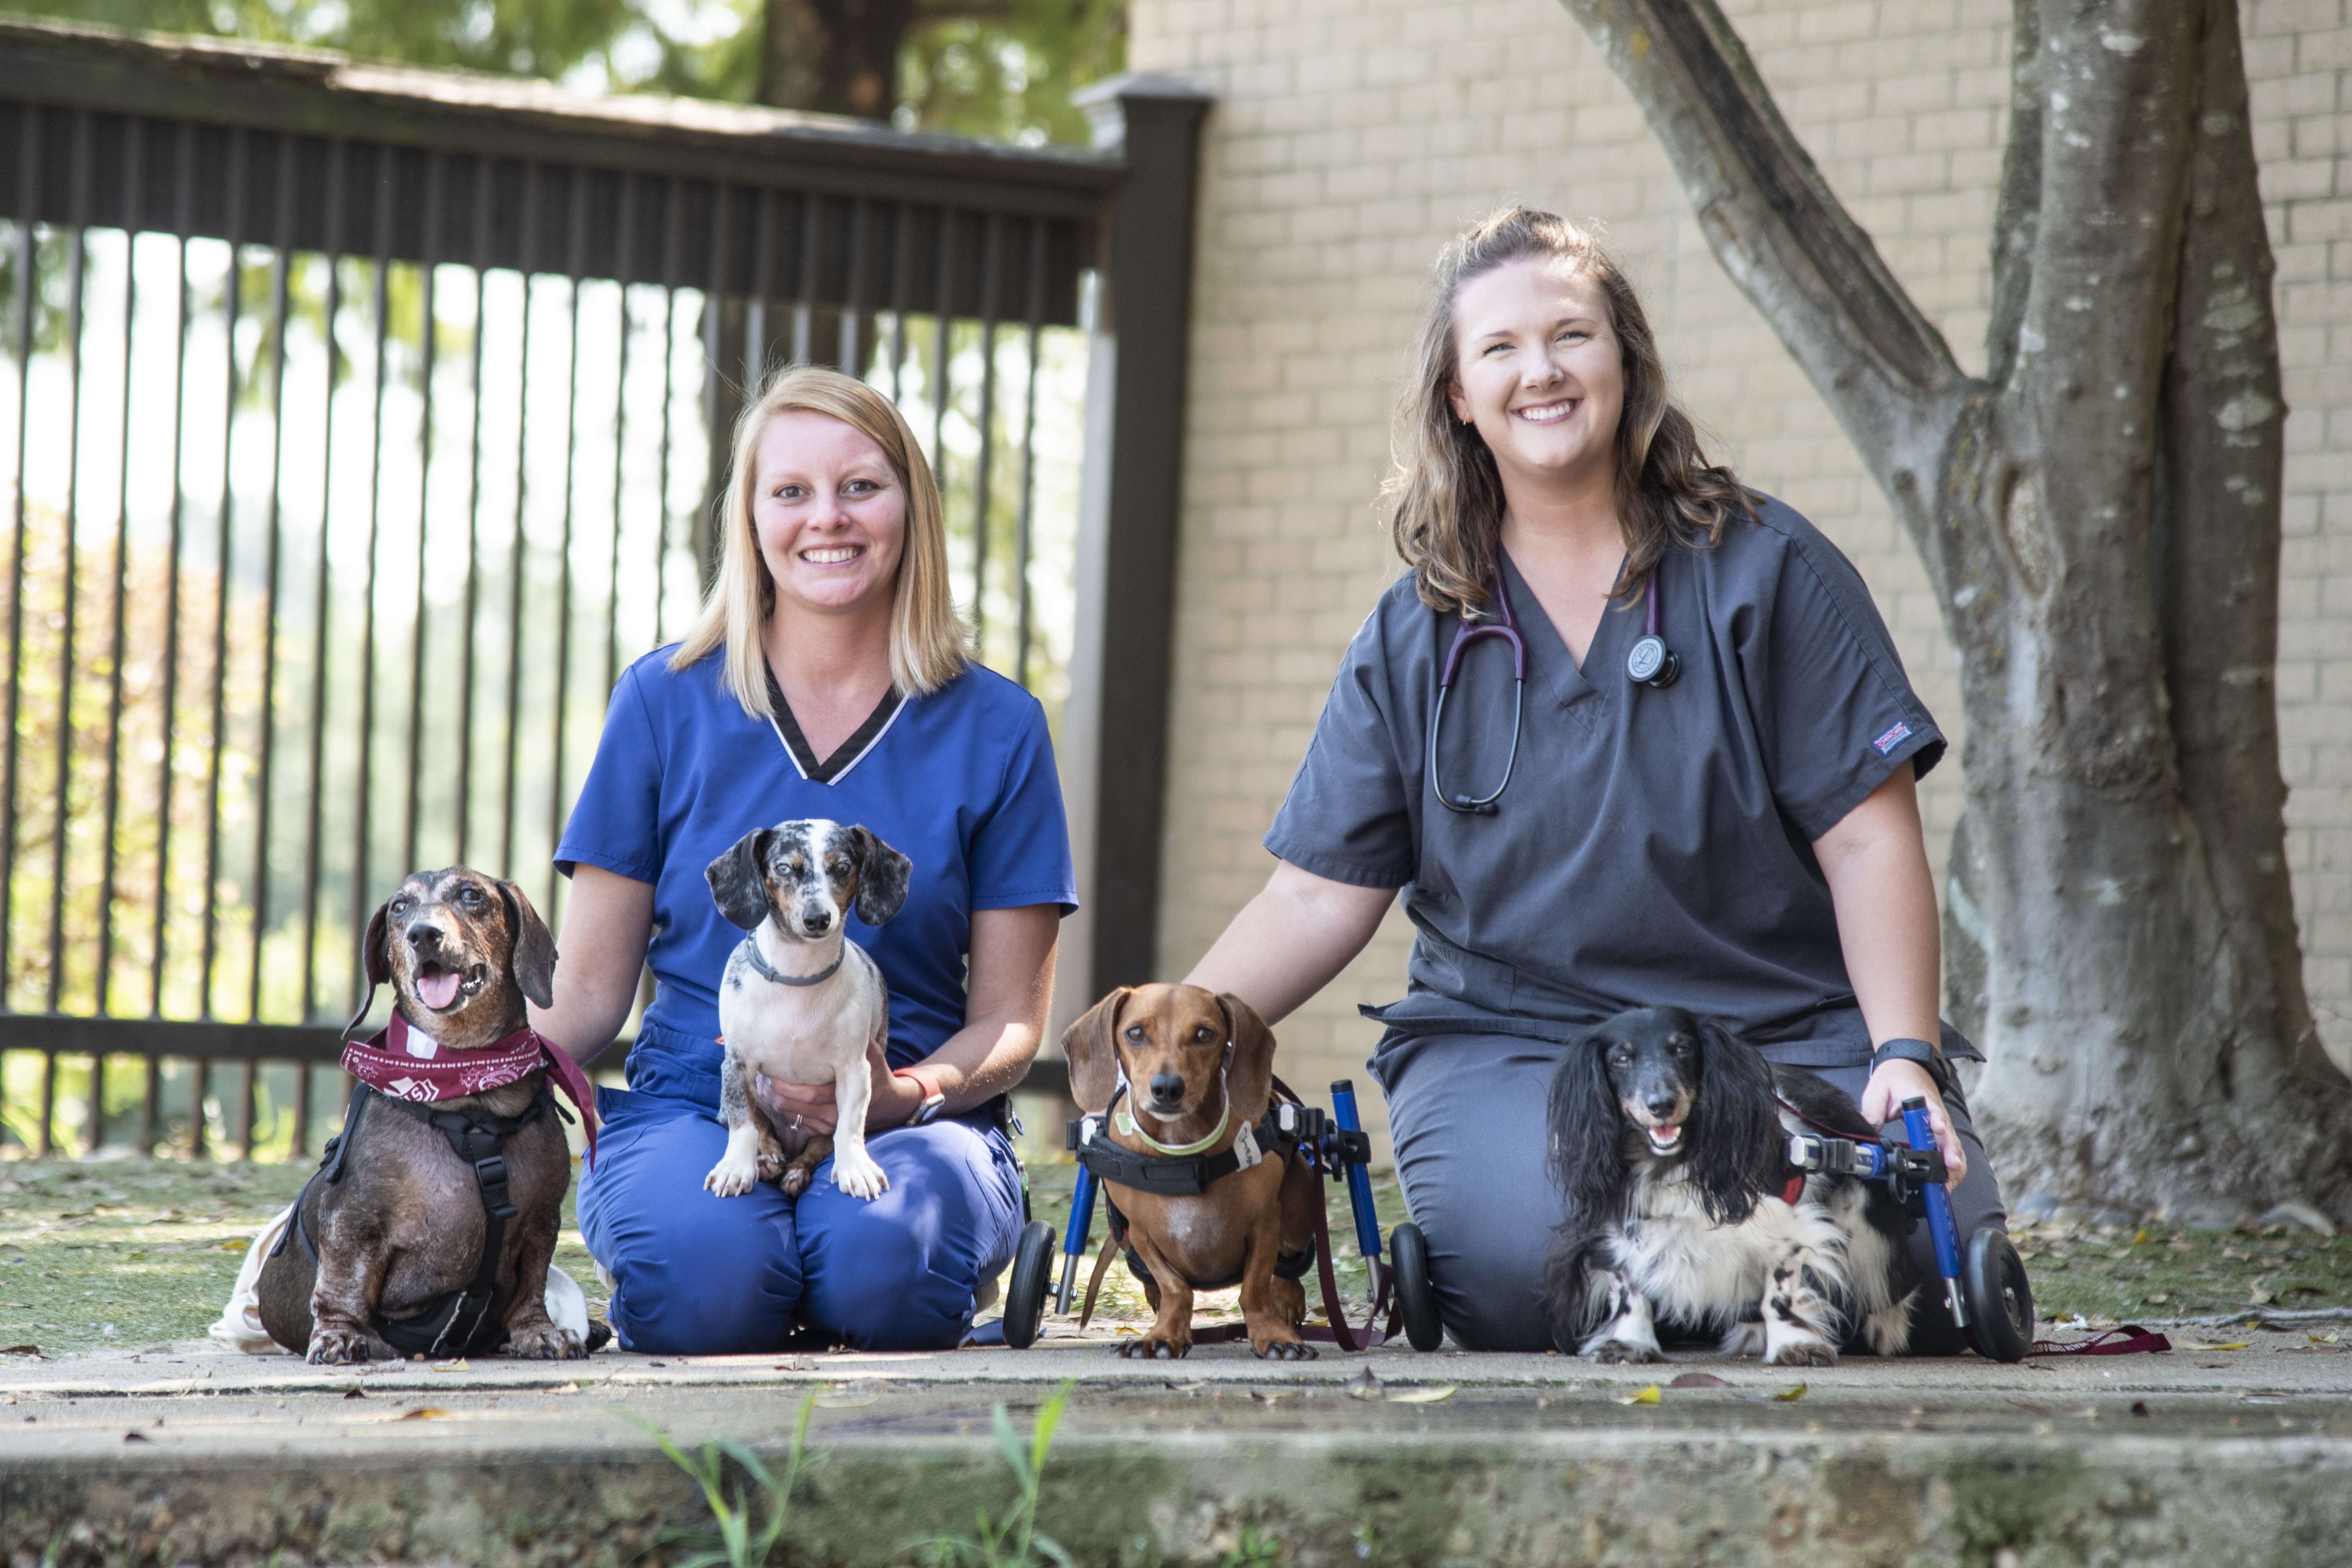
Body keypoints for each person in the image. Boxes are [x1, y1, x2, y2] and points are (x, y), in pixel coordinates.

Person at [1180, 208, 2006, 1353]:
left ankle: (1744, 1298)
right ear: (1458, 397)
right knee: (1539, 1266)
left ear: (1626, 358)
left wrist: (1904, 1053)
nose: (1543, 372)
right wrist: (1178, 1041)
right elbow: (1317, 895)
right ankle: (1724, 1308)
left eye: (1572, 334)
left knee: (1900, 1257)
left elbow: (1869, 840)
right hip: (1518, 1046)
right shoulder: (1419, 631)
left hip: (1779, 1032)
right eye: (1501, 350)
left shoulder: (1768, 569)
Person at [530, 366, 1075, 1353]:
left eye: (861, 485)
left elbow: (1007, 1020)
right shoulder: (662, 701)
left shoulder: (1000, 726)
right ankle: (755, 1258)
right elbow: (584, 997)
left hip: (904, 1112)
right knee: (702, 1281)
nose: (827, 517)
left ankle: (872, 1254)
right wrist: (439, 1066)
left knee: (883, 1267)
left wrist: (910, 1093)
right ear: (750, 519)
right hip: (701, 1102)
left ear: (910, 504)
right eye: (790, 491)